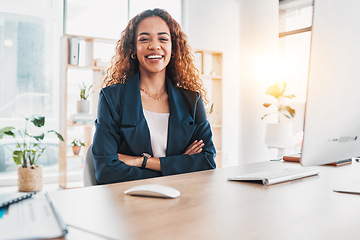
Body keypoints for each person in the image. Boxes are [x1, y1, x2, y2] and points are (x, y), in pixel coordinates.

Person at [92, 8, 216, 184]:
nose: (154, 46)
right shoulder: (112, 98)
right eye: (144, 39)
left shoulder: (191, 101)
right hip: (132, 201)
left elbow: (207, 162)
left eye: (163, 39)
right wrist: (179, 166)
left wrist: (141, 161)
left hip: (184, 199)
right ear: (133, 49)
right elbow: (106, 171)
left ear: (173, 49)